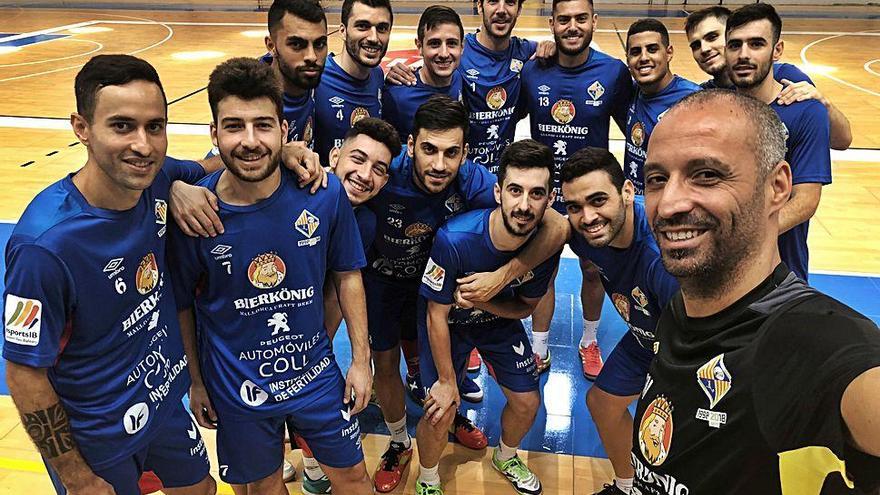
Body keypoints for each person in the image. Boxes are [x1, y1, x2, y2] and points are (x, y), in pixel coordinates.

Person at [635, 88, 880, 494]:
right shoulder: (684, 306)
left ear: (778, 187)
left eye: (707, 175)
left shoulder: (814, 340)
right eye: (657, 179)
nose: (669, 203)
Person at [3, 54, 216, 495]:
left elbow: (209, 168)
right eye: (122, 126)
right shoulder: (43, 248)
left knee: (201, 489)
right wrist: (77, 478)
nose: (144, 145)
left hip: (159, 401)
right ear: (81, 127)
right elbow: (24, 373)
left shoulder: (156, 177)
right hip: (95, 436)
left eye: (155, 127)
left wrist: (287, 152)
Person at [169, 57, 373, 495]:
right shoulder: (195, 215)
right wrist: (197, 382)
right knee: (262, 488)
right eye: (234, 126)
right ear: (214, 135)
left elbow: (347, 274)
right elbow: (182, 304)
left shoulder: (321, 191)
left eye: (263, 125)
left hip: (314, 372)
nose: (249, 140)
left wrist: (359, 359)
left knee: (354, 478)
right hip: (236, 385)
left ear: (284, 132)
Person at [363, 95, 567, 493]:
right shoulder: (385, 173)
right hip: (388, 285)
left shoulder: (473, 180)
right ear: (410, 145)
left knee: (445, 389)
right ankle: (399, 442)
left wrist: (501, 277)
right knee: (387, 368)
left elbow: (556, 227)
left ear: (465, 152)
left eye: (451, 152)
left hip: (447, 289)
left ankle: (454, 416)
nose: (440, 164)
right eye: (429, 150)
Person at [414, 140, 561, 495]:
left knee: (528, 403)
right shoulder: (455, 239)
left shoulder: (547, 245)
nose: (524, 205)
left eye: (536, 194)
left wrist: (487, 300)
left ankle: (506, 455)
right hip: (446, 325)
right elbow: (435, 313)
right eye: (515, 190)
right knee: (441, 409)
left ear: (551, 199)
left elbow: (526, 306)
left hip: (497, 323)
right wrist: (448, 381)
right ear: (498, 192)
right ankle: (428, 477)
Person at [518, 0, 633, 378]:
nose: (572, 26)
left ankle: (589, 340)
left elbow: (638, 123)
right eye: (563, 19)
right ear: (551, 23)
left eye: (580, 18)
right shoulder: (534, 70)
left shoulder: (614, 73)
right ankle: (539, 348)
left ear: (594, 22)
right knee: (542, 273)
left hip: (591, 200)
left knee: (592, 270)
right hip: (546, 197)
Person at [558, 148, 678, 495]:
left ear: (628, 191)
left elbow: (704, 340)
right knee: (602, 403)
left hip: (682, 351)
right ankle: (630, 488)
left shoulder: (662, 258)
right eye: (574, 207)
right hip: (646, 338)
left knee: (674, 434)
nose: (588, 216)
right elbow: (554, 229)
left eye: (598, 200)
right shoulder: (587, 234)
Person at [726, 3, 831, 282]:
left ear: (777, 50)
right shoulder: (714, 106)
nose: (744, 54)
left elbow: (806, 201)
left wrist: (742, 238)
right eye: (734, 45)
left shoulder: (806, 111)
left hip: (780, 271)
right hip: (721, 271)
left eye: (756, 44)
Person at [684, 5, 852, 150]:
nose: (704, 49)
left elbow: (842, 141)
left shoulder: (785, 76)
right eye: (695, 45)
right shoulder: (703, 95)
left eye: (712, 37)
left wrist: (824, 105)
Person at [623, 19, 700, 197]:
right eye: (635, 52)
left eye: (652, 49)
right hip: (635, 202)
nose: (643, 58)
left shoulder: (692, 100)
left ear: (669, 52)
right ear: (627, 59)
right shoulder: (631, 91)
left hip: (670, 204)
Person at [314, 0, 391, 166]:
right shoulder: (315, 77)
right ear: (343, 31)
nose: (373, 38)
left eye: (382, 28)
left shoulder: (378, 76)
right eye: (362, 26)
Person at [382, 5, 465, 143]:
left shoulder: (460, 78)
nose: (444, 53)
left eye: (452, 43)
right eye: (434, 43)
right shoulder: (397, 96)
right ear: (419, 46)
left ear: (462, 47)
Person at [263, 0, 328, 148]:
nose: (312, 56)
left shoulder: (326, 76)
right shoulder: (250, 99)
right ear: (271, 46)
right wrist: (279, 155)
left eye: (319, 44)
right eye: (297, 44)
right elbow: (213, 163)